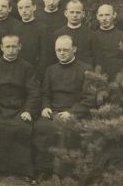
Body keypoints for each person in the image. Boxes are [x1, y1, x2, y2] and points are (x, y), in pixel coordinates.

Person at [0, 34, 40, 180]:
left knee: (22, 128)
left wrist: (28, 111)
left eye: (14, 46)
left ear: (20, 47)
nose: (11, 50)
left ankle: (22, 170)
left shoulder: (27, 67)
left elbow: (34, 92)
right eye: (7, 47)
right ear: (1, 48)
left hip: (20, 107)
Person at [33, 35, 95, 182]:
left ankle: (63, 173)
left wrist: (72, 112)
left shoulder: (86, 69)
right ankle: (43, 169)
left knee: (65, 130)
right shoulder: (50, 70)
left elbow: (89, 98)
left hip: (74, 113)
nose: (61, 53)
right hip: (53, 111)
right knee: (40, 127)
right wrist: (45, 107)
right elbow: (45, 93)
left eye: (65, 50)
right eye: (58, 50)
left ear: (74, 49)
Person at [13, 0, 47, 81]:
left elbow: (45, 56)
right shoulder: (15, 29)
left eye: (27, 7)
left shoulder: (42, 28)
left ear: (34, 7)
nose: (23, 11)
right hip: (18, 72)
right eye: (20, 8)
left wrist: (37, 74)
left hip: (36, 73)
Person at [54, 0, 97, 67]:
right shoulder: (58, 34)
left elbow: (97, 58)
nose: (75, 15)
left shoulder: (91, 34)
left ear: (83, 14)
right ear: (66, 13)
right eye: (72, 12)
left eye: (78, 12)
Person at [94, 4, 123, 80]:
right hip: (98, 79)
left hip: (119, 79)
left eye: (107, 15)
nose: (104, 18)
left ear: (114, 15)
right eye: (101, 15)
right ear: (97, 16)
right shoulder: (92, 37)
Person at [35, 0, 67, 67]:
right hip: (40, 57)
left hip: (59, 56)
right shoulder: (35, 15)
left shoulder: (64, 17)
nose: (51, 2)